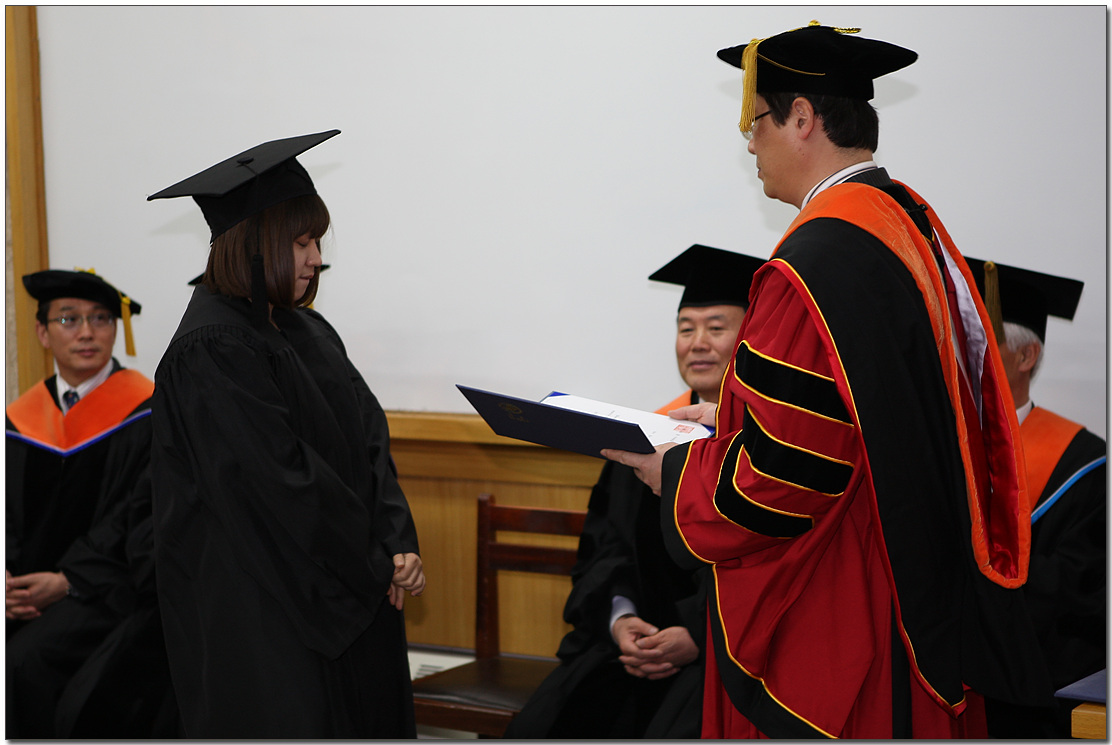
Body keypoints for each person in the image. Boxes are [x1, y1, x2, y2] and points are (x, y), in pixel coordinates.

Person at [603, 21, 1053, 738]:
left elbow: (788, 475)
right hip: (916, 570)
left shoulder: (813, 262)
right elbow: (866, 410)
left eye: (756, 122)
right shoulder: (903, 222)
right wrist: (728, 420)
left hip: (850, 595)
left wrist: (675, 471)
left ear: (803, 119)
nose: (749, 144)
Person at [146, 129, 425, 738]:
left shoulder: (306, 330)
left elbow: (369, 439)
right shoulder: (212, 349)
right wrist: (373, 562)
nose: (316, 259)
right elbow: (277, 485)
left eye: (316, 241)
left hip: (349, 582)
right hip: (269, 607)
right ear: (255, 243)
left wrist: (396, 540)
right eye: (301, 242)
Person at [505, 245, 763, 738]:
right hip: (631, 649)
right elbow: (607, 550)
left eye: (716, 327)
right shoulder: (643, 438)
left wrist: (698, 635)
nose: (697, 343)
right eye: (685, 329)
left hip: (723, 658)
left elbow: (772, 569)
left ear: (750, 338)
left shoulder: (764, 452)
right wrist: (620, 619)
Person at [6, 269, 173, 737]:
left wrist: (69, 581)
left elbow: (137, 514)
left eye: (100, 318)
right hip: (24, 593)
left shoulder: (146, 411)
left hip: (107, 590)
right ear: (42, 333)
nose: (86, 332)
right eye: (68, 319)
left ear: (116, 330)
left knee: (24, 662)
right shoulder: (19, 420)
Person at [964, 259, 1106, 739]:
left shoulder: (1084, 463)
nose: (968, 353)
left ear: (1026, 356)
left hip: (1033, 698)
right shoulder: (938, 446)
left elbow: (1082, 590)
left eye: (983, 339)